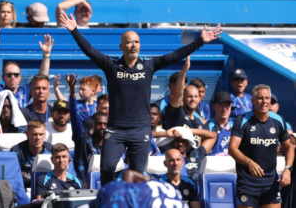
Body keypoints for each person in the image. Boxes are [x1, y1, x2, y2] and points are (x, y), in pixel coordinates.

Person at [60, 12, 221, 185]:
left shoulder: (148, 65)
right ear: (121, 46)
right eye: (129, 42)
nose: (133, 45)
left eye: (136, 42)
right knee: (106, 168)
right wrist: (75, 31)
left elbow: (175, 55)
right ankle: (107, 198)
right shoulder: (111, 65)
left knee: (137, 175)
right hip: (116, 130)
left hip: (140, 131)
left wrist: (201, 41)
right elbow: (90, 51)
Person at [228, 84, 294, 208]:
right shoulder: (242, 120)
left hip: (271, 182)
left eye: (267, 98)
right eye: (260, 98)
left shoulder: (278, 120)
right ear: (253, 101)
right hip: (247, 182)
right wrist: (249, 162)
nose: (264, 101)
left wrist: (288, 169)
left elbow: (289, 147)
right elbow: (232, 149)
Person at [0, 28, 54, 109]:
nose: (12, 77)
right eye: (9, 75)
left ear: (20, 78)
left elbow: (42, 78)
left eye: (16, 75)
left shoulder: (25, 91)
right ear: (3, 77)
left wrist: (46, 55)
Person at [67, 74, 107, 187]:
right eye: (99, 124)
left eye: (105, 124)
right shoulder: (82, 137)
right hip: (83, 185)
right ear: (92, 125)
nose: (103, 127)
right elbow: (74, 117)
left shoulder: (112, 142)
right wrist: (72, 93)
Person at [86, 170, 186, 208]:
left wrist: (149, 180)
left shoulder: (170, 189)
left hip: (116, 190)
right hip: (119, 197)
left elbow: (128, 173)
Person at [161, 59, 204, 145]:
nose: (193, 99)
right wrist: (184, 71)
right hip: (175, 156)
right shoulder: (178, 114)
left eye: (195, 96)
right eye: (189, 96)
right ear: (183, 98)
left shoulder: (199, 120)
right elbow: (178, 94)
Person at [10, 120, 52, 188]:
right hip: (23, 188)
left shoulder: (51, 150)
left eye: (41, 134)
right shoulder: (17, 151)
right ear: (27, 134)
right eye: (34, 134)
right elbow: (14, 177)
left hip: (46, 188)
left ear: (44, 135)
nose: (38, 138)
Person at [203, 91, 233, 156]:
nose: (224, 109)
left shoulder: (236, 127)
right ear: (214, 107)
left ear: (231, 106)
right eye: (221, 105)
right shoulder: (207, 127)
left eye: (227, 105)